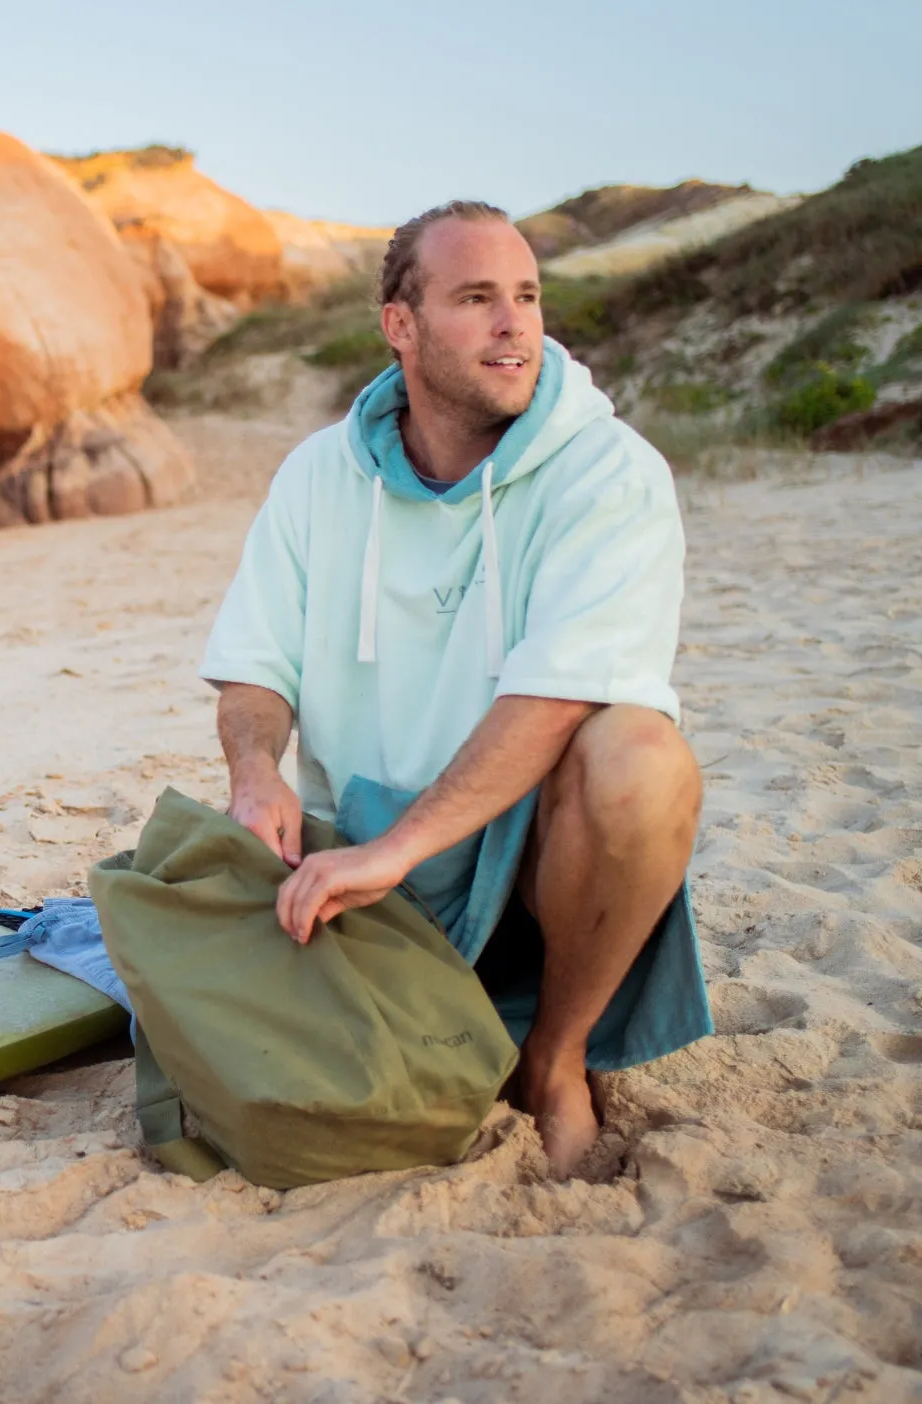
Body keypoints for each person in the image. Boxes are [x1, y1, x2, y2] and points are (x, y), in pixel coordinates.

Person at [200, 200, 711, 1178]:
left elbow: (558, 697)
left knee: (641, 756)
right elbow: (254, 668)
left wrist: (400, 850)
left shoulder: (610, 474)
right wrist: (256, 771)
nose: (516, 324)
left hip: (532, 861)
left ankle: (555, 1058)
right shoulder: (318, 476)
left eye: (526, 296)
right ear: (401, 325)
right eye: (477, 299)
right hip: (360, 857)